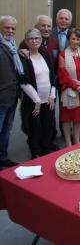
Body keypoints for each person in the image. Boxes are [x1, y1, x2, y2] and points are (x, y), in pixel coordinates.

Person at [19, 29, 57, 158]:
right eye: (31, 38)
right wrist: (36, 100)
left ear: (41, 40)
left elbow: (52, 76)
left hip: (48, 100)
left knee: (49, 125)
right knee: (35, 128)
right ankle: (35, 152)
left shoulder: (44, 55)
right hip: (33, 102)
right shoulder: (24, 57)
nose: (34, 41)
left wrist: (52, 95)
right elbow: (23, 81)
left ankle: (45, 149)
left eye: (37, 38)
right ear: (26, 41)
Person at [0, 16, 23, 167]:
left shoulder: (13, 46)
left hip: (12, 96)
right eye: (6, 28)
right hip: (1, 96)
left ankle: (3, 157)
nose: (10, 31)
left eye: (13, 28)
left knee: (6, 130)